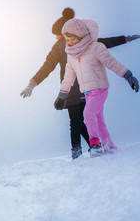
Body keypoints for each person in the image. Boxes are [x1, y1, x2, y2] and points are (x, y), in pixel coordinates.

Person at [20, 7, 140, 159]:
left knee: (80, 119)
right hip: (83, 88)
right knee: (88, 118)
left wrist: (33, 83)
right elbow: (108, 43)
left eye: (56, 34)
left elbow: (47, 66)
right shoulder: (79, 45)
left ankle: (85, 149)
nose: (58, 38)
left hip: (82, 88)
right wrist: (127, 38)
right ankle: (98, 146)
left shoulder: (67, 46)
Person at [54, 18, 139, 157]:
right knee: (98, 121)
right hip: (87, 92)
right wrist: (62, 94)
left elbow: (112, 63)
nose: (68, 43)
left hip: (99, 89)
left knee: (87, 114)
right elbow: (68, 77)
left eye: (72, 39)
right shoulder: (71, 55)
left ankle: (95, 144)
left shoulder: (95, 47)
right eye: (66, 39)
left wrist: (128, 76)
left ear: (81, 36)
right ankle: (110, 146)